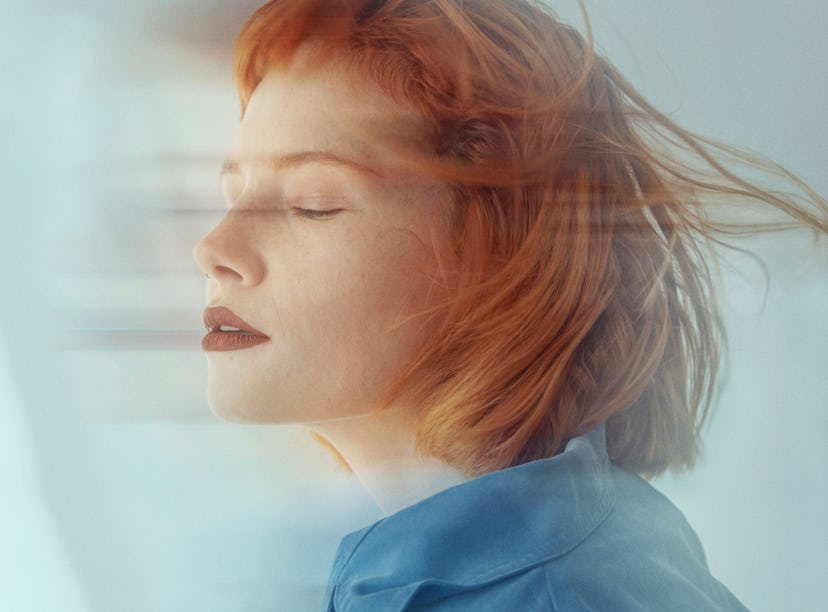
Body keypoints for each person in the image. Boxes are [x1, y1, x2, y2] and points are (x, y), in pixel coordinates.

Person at [193, 0, 826, 609]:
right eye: (234, 193)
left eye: (312, 203)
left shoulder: (543, 596)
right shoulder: (586, 554)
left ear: (505, 256)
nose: (214, 248)